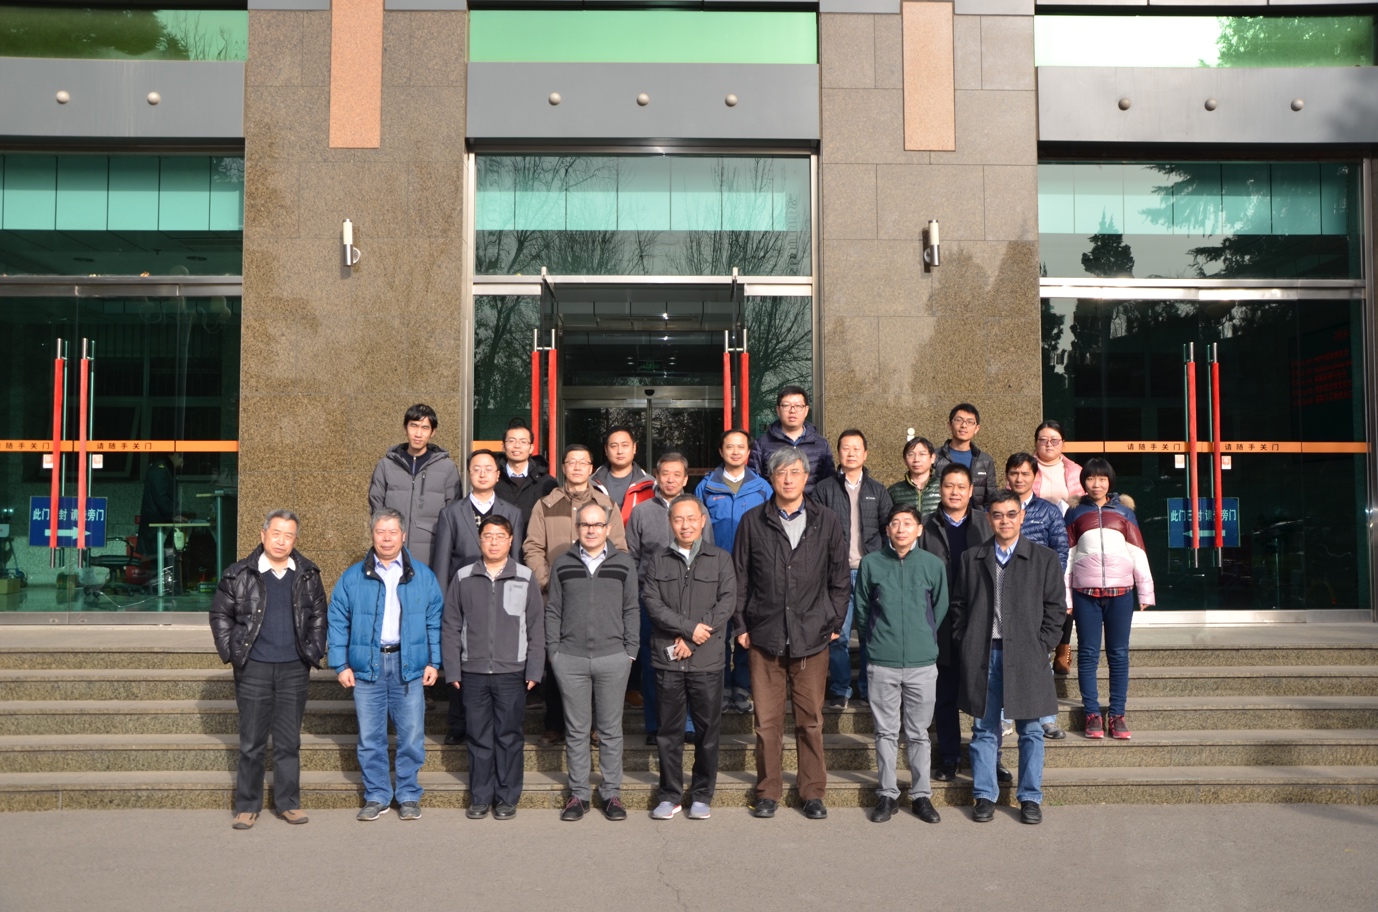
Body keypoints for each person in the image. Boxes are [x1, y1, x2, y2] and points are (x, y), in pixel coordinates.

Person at [733, 447, 850, 820]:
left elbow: (840, 579)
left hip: (812, 638)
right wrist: (741, 626)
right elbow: (740, 578)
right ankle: (768, 791)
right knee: (766, 723)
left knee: (810, 721)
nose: (787, 479)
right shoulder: (752, 521)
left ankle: (812, 792)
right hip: (764, 636)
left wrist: (834, 623)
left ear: (805, 477)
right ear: (771, 478)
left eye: (794, 472)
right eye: (781, 473)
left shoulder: (826, 520)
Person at [950, 488, 1066, 825]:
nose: (1005, 521)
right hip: (984, 653)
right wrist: (966, 640)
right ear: (989, 519)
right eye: (998, 515)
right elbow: (958, 606)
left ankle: (1029, 798)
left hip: (1027, 653)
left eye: (1011, 514)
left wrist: (1042, 644)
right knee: (984, 729)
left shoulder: (1043, 558)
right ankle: (985, 795)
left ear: (1022, 516)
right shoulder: (972, 558)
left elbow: (1056, 609)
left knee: (1031, 731)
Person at [209, 509, 328, 830]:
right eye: (276, 534)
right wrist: (233, 652)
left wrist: (313, 650)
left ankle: (288, 803)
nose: (281, 541)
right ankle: (247, 805)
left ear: (295, 540)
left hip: (294, 669)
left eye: (288, 535)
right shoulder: (239, 574)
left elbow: (319, 615)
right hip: (254, 669)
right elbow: (220, 615)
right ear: (263, 535)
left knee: (289, 742)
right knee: (252, 742)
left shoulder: (307, 574)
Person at [327, 509, 443, 822]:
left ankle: (408, 794)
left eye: (393, 532)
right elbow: (337, 620)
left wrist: (434, 661)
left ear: (403, 535)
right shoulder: (353, 577)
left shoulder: (422, 576)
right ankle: (377, 795)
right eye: (381, 531)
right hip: (368, 665)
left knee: (411, 735)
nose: (387, 538)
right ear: (372, 535)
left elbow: (434, 621)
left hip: (409, 664)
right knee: (370, 737)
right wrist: (340, 664)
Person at [440, 514, 543, 821]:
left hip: (512, 673)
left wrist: (534, 669)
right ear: (479, 540)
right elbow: (450, 626)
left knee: (509, 736)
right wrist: (452, 669)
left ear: (510, 541)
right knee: (478, 737)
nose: (494, 542)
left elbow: (537, 627)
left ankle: (507, 797)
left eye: (500, 536)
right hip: (472, 673)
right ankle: (481, 797)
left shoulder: (524, 577)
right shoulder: (463, 577)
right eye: (488, 536)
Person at [523, 444, 628, 745]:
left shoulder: (606, 504)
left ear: (591, 468)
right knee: (557, 660)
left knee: (596, 660)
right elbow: (533, 547)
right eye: (572, 462)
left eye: (584, 462)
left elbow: (620, 550)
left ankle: (595, 726)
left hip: (597, 601)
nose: (578, 467)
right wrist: (548, 583)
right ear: (564, 467)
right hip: (555, 599)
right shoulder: (546, 505)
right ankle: (555, 724)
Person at [643, 495, 737, 821]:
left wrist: (696, 636)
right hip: (668, 659)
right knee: (668, 733)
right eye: (678, 519)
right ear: (671, 523)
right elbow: (652, 603)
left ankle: (701, 794)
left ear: (702, 521)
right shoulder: (658, 560)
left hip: (706, 660)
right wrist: (688, 630)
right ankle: (669, 794)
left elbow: (727, 602)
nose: (685, 525)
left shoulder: (720, 559)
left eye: (691, 518)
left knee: (707, 732)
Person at [854, 503, 947, 824]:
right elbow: (862, 609)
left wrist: (925, 638)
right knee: (885, 732)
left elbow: (940, 608)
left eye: (908, 523)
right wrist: (875, 642)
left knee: (919, 733)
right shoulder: (871, 564)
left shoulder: (933, 565)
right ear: (887, 530)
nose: (901, 528)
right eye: (895, 523)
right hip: (883, 661)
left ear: (919, 529)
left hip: (922, 662)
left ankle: (921, 795)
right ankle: (887, 794)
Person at [546, 502, 640, 822]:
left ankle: (611, 793)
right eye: (585, 524)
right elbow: (553, 610)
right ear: (577, 528)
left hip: (613, 658)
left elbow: (632, 609)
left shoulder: (624, 563)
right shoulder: (562, 563)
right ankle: (579, 795)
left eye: (597, 524)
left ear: (607, 528)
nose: (591, 530)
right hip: (570, 659)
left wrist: (630, 651)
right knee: (576, 730)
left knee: (610, 730)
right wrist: (554, 653)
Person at [432, 449, 525, 745]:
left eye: (488, 469)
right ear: (468, 474)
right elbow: (442, 563)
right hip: (464, 599)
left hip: (502, 599)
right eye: (476, 468)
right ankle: (458, 722)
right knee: (462, 658)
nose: (482, 473)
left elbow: (517, 560)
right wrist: (443, 605)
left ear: (498, 475)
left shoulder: (513, 513)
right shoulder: (451, 513)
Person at [625, 452, 714, 743]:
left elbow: (709, 554)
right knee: (655, 665)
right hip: (651, 601)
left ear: (686, 478)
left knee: (689, 661)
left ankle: (687, 724)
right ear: (656, 476)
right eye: (665, 473)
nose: (671, 479)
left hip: (691, 601)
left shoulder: (698, 510)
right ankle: (656, 724)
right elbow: (632, 558)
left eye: (677, 474)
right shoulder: (641, 512)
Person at [1065, 457, 1155, 741]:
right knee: (1088, 654)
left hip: (1121, 594)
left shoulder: (1124, 513)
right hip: (1085, 594)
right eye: (1091, 478)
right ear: (1084, 482)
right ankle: (1092, 713)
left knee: (1118, 654)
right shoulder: (1075, 513)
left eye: (1102, 479)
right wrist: (1066, 597)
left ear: (1110, 481)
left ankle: (1117, 714)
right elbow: (1067, 558)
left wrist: (1146, 591)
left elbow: (1138, 552)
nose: (1096, 484)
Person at [919, 463, 993, 783]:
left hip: (979, 617)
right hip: (940, 618)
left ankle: (988, 758)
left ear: (971, 490)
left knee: (983, 694)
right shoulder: (926, 525)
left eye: (961, 486)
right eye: (949, 485)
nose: (955, 492)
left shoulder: (986, 523)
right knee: (945, 693)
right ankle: (950, 756)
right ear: (941, 489)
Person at [812, 429, 893, 708]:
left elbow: (888, 529)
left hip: (869, 572)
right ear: (838, 453)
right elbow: (816, 530)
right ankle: (840, 689)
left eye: (856, 448)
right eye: (846, 448)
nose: (851, 453)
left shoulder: (877, 490)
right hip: (837, 573)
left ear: (865, 454)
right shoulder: (824, 489)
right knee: (839, 634)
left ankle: (868, 688)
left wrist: (880, 561)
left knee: (871, 633)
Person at [696, 429, 773, 715]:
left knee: (745, 629)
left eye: (741, 447)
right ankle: (720, 687)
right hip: (714, 572)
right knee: (717, 632)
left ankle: (741, 687)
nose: (736, 451)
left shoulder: (762, 487)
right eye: (730, 447)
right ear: (721, 451)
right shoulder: (706, 487)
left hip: (751, 572)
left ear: (749, 452)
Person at [1005, 452, 1071, 740]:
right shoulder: (997, 507)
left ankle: (1045, 718)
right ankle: (1005, 717)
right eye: (1014, 473)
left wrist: (1050, 585)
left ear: (1035, 476)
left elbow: (1061, 550)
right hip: (1004, 592)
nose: (1019, 478)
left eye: (1025, 473)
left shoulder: (1048, 511)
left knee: (1040, 657)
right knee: (1004, 657)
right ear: (1007, 476)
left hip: (1037, 594)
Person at [367, 403, 461, 572]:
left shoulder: (447, 468)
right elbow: (376, 507)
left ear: (433, 432)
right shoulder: (386, 465)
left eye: (425, 428)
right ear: (405, 428)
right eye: (414, 426)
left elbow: (453, 512)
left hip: (431, 553)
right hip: (391, 551)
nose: (418, 433)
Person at [1032, 419, 1085, 673]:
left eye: (1054, 440)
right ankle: (1040, 645)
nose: (1049, 444)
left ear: (1063, 443)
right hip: (1035, 538)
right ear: (1036, 443)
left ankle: (1063, 648)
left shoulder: (1076, 470)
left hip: (1068, 538)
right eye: (1043, 440)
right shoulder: (1026, 467)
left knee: (1066, 592)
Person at [746, 386, 835, 495]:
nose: (792, 410)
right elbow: (754, 483)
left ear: (806, 410)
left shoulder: (821, 444)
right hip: (773, 504)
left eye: (798, 406)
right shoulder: (762, 444)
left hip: (812, 504)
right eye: (786, 405)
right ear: (778, 410)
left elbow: (828, 484)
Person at [932, 403, 997, 510]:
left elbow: (991, 498)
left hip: (975, 517)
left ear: (977, 428)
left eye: (970, 422)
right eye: (958, 420)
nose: (964, 425)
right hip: (941, 516)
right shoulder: (935, 457)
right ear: (949, 425)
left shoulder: (985, 460)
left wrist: (983, 518)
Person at [494, 419, 558, 524]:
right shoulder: (492, 479)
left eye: (523, 441)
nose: (517, 446)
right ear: (503, 447)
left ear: (531, 448)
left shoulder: (547, 483)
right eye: (511, 441)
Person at [591, 426, 654, 523]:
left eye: (625, 445)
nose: (620, 451)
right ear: (606, 450)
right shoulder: (591, 484)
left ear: (634, 448)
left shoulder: (650, 485)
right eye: (614, 446)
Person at [136, 451, 181, 561]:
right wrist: (172, 515)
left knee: (161, 555)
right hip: (156, 520)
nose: (182, 462)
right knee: (156, 557)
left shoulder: (164, 469)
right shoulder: (159, 470)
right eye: (181, 458)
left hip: (160, 518)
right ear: (173, 455)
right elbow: (160, 497)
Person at [887, 436, 941, 519]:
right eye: (911, 454)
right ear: (905, 459)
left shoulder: (944, 486)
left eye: (922, 454)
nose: (916, 459)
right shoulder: (894, 491)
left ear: (932, 458)